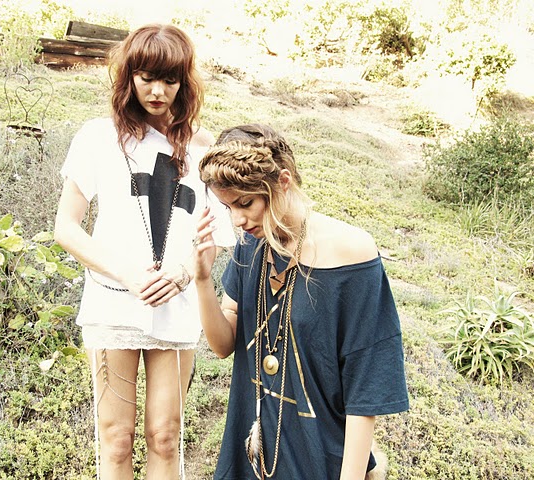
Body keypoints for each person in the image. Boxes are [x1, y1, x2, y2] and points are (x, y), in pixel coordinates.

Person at [53, 24, 234, 480]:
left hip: (176, 304)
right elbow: (66, 228)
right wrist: (129, 275)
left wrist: (181, 272)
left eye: (170, 80)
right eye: (146, 78)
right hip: (113, 301)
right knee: (116, 439)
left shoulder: (202, 147)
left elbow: (215, 233)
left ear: (184, 82)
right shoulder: (98, 137)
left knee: (165, 435)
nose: (157, 91)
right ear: (129, 76)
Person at [193, 124, 410, 480]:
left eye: (245, 203)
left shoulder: (352, 254)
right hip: (252, 454)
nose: (237, 220)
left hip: (321, 459)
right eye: (227, 207)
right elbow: (223, 345)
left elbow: (365, 386)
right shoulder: (252, 244)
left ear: (283, 181)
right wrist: (203, 281)